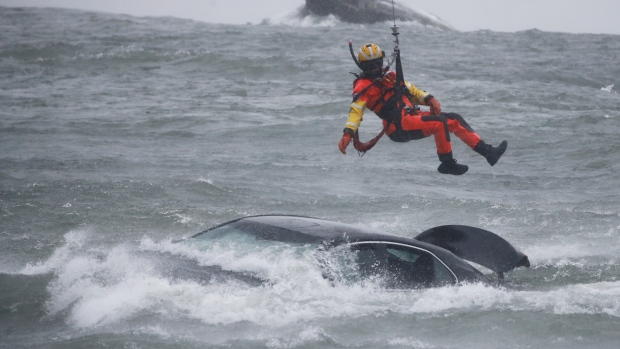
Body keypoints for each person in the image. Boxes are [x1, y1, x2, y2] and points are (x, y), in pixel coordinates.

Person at [338, 43, 507, 175]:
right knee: (440, 123)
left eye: (378, 63)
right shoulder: (362, 87)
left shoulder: (390, 76)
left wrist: (429, 98)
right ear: (363, 67)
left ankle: (488, 152)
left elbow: (411, 90)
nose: (376, 68)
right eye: (370, 66)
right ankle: (447, 163)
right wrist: (348, 134)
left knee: (454, 120)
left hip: (412, 117)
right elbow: (356, 112)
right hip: (398, 127)